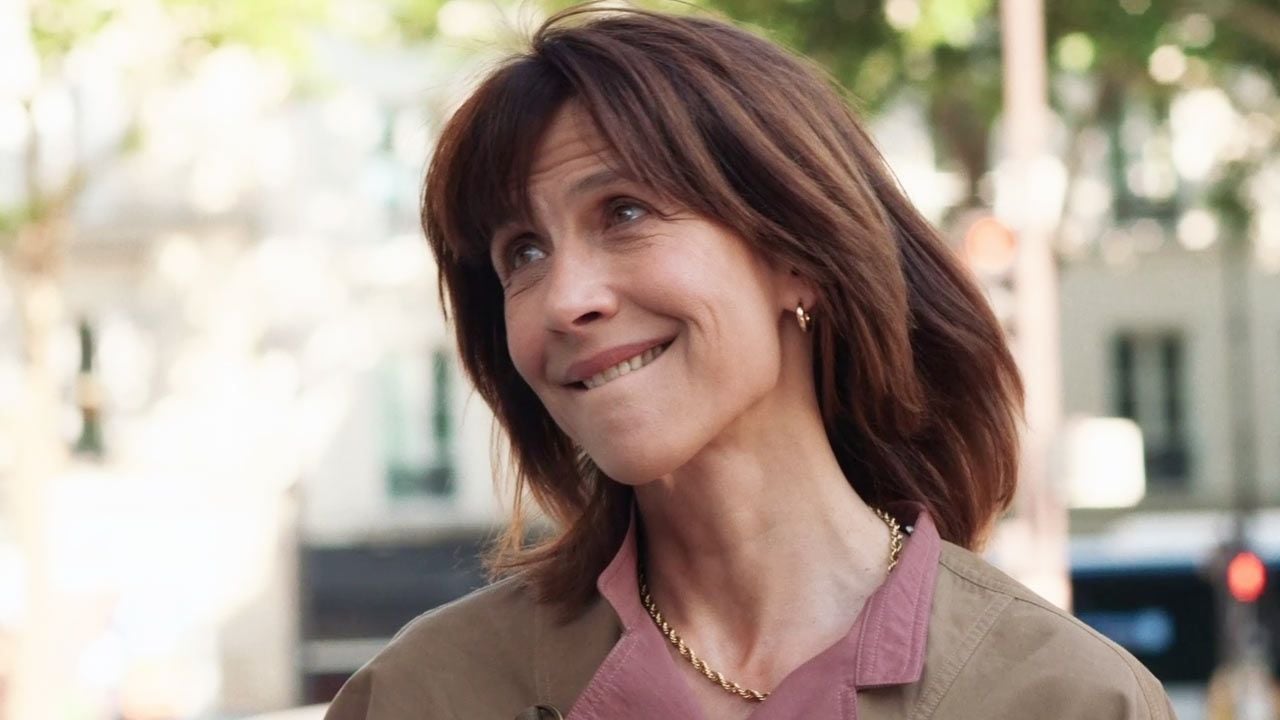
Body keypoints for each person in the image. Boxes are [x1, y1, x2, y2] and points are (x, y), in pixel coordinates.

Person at [325, 6, 1176, 719]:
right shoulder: (425, 696)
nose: (564, 299)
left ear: (795, 254)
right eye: (522, 252)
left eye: (624, 212)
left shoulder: (1066, 698)